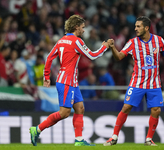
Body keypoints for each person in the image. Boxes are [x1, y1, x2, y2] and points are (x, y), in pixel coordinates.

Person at [29, 15, 109, 146]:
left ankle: (79, 140)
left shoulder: (61, 40)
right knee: (64, 113)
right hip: (67, 82)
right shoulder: (77, 41)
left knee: (80, 108)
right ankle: (37, 129)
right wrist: (104, 46)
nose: (84, 30)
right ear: (76, 27)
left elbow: (49, 57)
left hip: (69, 81)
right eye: (82, 28)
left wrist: (46, 76)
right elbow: (93, 56)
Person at [103, 16, 164, 146]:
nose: (135, 28)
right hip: (137, 82)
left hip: (154, 83)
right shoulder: (132, 43)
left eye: (138, 26)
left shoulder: (159, 41)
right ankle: (113, 137)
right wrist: (113, 48)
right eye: (135, 26)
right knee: (126, 107)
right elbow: (119, 57)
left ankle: (149, 139)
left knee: (156, 110)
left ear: (146, 28)